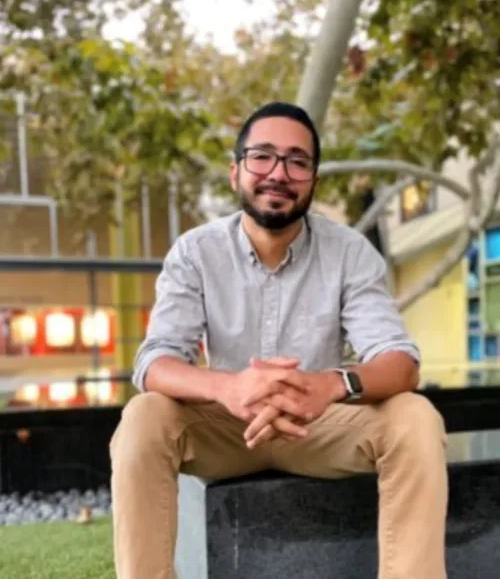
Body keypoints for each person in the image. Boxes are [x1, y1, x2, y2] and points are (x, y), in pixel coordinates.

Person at [110, 101, 448, 579]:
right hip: (226, 428)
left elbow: (401, 363)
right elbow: (153, 364)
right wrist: (227, 388)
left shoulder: (350, 252)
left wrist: (330, 385)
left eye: (297, 161)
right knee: (144, 415)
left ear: (313, 179)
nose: (279, 173)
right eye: (262, 156)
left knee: (415, 416)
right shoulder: (196, 251)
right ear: (236, 172)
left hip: (319, 427)